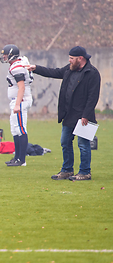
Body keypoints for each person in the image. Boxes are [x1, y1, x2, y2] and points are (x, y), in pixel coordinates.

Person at [26, 46, 101, 181]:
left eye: (72, 58)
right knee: (65, 142)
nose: (69, 60)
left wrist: (86, 115)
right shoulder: (69, 69)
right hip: (69, 115)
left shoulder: (92, 73)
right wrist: (35, 68)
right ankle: (67, 170)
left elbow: (93, 97)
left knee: (83, 145)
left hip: (83, 116)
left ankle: (85, 172)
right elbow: (54, 72)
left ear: (80, 58)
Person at [0, 44, 33, 167]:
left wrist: (17, 104)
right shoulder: (19, 63)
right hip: (18, 99)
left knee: (20, 128)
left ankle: (22, 160)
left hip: (21, 100)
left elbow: (22, 86)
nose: (4, 57)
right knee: (15, 129)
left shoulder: (17, 67)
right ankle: (17, 157)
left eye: (5, 55)